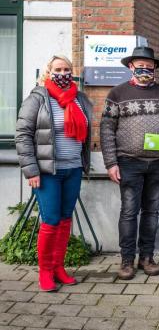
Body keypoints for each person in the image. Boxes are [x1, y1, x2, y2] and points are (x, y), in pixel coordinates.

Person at [100, 46, 159, 280]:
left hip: (158, 163)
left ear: (155, 68)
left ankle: (147, 257)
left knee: (152, 211)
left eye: (149, 66)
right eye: (140, 66)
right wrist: (110, 163)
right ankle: (127, 260)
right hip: (128, 162)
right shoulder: (117, 94)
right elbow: (106, 129)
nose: (145, 70)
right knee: (129, 212)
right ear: (131, 67)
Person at [15, 55, 93, 292]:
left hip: (73, 168)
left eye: (67, 69)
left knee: (65, 219)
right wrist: (31, 171)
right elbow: (22, 135)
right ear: (48, 72)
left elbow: (86, 133)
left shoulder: (79, 98)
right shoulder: (37, 98)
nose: (63, 73)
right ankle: (45, 272)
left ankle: (59, 267)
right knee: (50, 220)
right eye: (58, 69)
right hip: (48, 171)